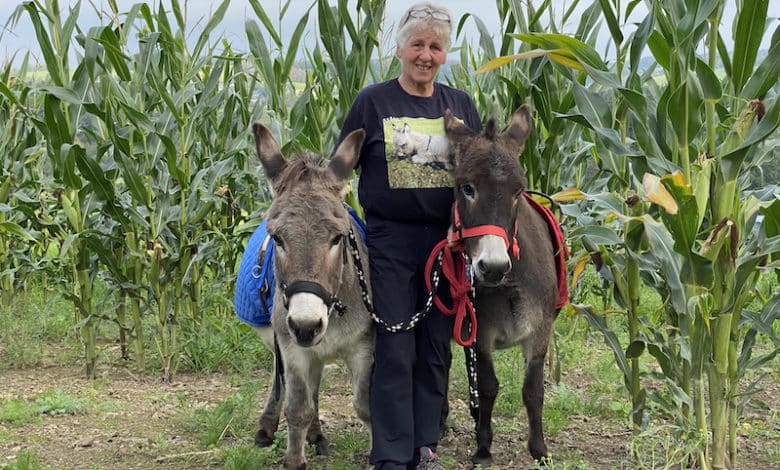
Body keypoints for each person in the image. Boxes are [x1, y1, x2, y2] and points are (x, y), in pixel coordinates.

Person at [335, 3, 482, 469]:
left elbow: (476, 178)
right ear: (399, 49)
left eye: (435, 46)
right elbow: (340, 168)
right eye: (417, 44)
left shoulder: (460, 106)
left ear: (445, 54)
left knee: (435, 348)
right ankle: (391, 455)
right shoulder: (373, 102)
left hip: (446, 245)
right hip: (389, 242)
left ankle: (425, 446)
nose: (425, 54)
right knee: (396, 346)